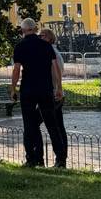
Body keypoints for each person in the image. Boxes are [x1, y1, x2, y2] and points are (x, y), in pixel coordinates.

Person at [10, 18, 67, 168]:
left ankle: (31, 159)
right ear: (35, 29)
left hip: (28, 89)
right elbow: (55, 67)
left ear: (23, 31)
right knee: (52, 124)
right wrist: (59, 87)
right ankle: (60, 160)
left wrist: (13, 87)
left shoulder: (20, 46)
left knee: (29, 125)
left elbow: (16, 69)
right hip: (45, 88)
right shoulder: (46, 46)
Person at [37, 28, 69, 168]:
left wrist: (57, 89)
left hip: (52, 94)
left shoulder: (51, 53)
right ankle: (61, 159)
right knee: (58, 127)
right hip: (56, 93)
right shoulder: (54, 52)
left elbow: (56, 72)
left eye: (41, 36)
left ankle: (50, 159)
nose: (38, 38)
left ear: (49, 38)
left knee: (41, 124)